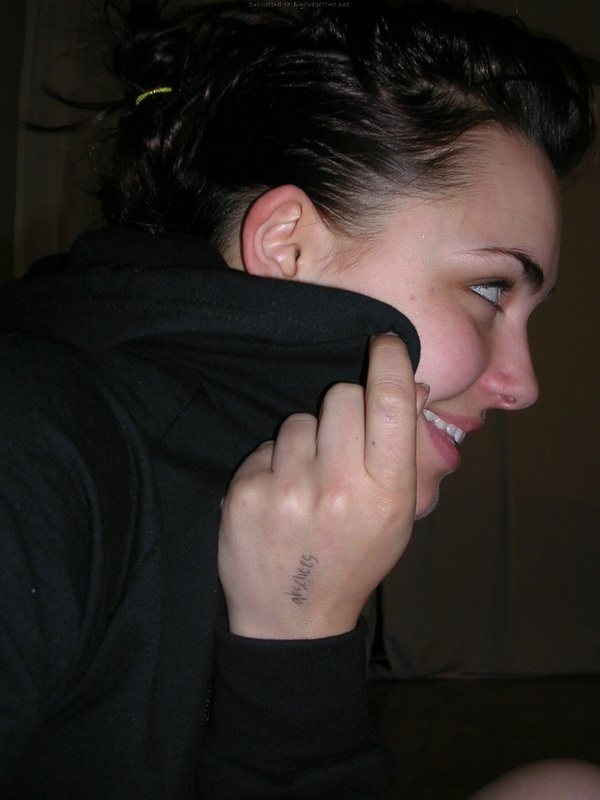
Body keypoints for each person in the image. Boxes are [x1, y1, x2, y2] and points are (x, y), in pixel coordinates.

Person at [0, 0, 598, 797]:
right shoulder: (31, 442)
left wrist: (297, 621)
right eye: (490, 289)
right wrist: (300, 644)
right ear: (287, 247)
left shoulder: (302, 486)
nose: (522, 386)